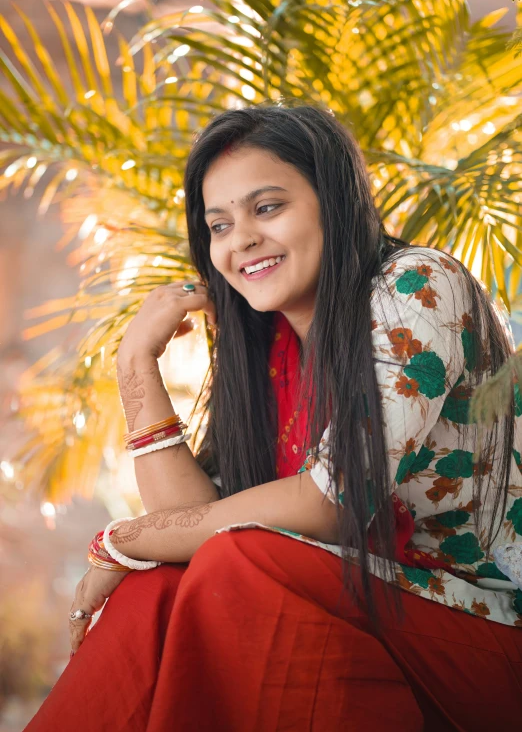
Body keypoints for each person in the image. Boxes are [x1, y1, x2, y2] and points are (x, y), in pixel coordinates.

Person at [25, 104, 522, 732]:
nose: (241, 240)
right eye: (220, 224)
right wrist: (136, 368)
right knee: (159, 588)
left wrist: (123, 540)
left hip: (487, 628)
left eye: (267, 208)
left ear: (333, 203)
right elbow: (184, 532)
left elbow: (326, 503)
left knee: (237, 559)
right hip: (367, 613)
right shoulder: (269, 349)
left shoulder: (415, 286)